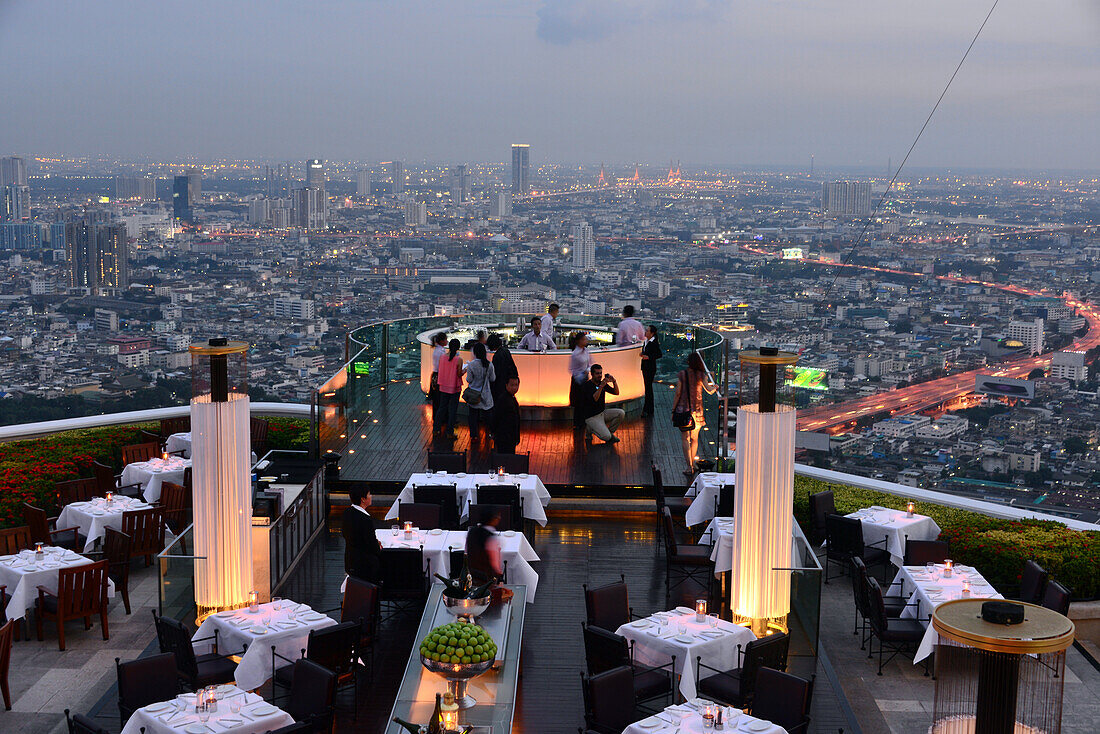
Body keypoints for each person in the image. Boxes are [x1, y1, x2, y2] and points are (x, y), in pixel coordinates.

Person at [673, 351, 719, 477]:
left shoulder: (682, 375)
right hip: (697, 411)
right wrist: (715, 386)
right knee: (694, 439)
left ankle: (688, 467)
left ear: (689, 361)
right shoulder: (701, 375)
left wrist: (673, 409)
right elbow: (709, 391)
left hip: (683, 410)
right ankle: (693, 463)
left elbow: (678, 393)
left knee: (685, 439)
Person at [342, 485, 382, 583]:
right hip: (365, 566)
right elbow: (373, 547)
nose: (371, 496)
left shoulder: (347, 513)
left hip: (350, 561)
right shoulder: (366, 520)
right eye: (369, 494)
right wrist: (378, 545)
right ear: (363, 499)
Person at [578, 363, 624, 443]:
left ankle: (609, 434)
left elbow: (616, 392)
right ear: (592, 374)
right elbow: (595, 398)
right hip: (591, 416)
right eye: (597, 373)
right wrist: (601, 387)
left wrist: (614, 381)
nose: (599, 375)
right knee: (606, 437)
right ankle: (592, 428)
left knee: (621, 413)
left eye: (600, 373)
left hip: (602, 413)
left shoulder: (601, 383)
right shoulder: (587, 386)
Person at [464, 341, 496, 440]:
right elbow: (493, 379)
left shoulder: (472, 365)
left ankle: (474, 436)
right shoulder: (489, 365)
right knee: (488, 415)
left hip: (474, 394)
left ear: (475, 353)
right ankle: (490, 433)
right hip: (486, 394)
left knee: (473, 416)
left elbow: (469, 380)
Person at [465, 508, 504, 585]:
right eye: (497, 517)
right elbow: (495, 563)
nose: (499, 518)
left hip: (471, 575)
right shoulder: (491, 537)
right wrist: (500, 579)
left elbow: (466, 552)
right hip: (487, 579)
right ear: (492, 519)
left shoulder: (471, 532)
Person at [436, 338, 464, 438]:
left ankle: (436, 429)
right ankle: (449, 432)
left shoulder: (443, 357)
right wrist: (466, 369)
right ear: (458, 348)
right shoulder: (459, 359)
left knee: (442, 408)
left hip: (443, 385)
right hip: (454, 387)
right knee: (452, 410)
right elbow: (459, 374)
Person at [492, 376, 522, 453]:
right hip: (504, 437)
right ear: (506, 385)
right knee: (505, 459)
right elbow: (496, 417)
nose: (514, 388)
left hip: (510, 437)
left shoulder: (511, 398)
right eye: (512, 385)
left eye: (516, 385)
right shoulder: (503, 400)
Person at [568, 331, 592, 427]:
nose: (585, 341)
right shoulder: (575, 354)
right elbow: (572, 369)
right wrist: (580, 376)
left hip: (585, 379)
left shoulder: (586, 351)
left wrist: (587, 371)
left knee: (585, 402)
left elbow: (590, 364)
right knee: (578, 403)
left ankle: (583, 422)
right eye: (583, 339)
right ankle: (578, 424)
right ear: (578, 341)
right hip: (577, 381)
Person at [487, 333, 518, 403]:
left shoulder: (496, 356)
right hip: (507, 384)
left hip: (499, 386)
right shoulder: (506, 351)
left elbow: (496, 373)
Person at [640, 324, 662, 416]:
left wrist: (648, 357)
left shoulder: (653, 343)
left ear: (652, 333)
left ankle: (648, 409)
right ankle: (648, 409)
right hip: (645, 367)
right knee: (647, 388)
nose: (646, 332)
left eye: (648, 331)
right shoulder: (646, 341)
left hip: (650, 368)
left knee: (648, 388)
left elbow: (659, 354)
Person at [429, 331, 448, 433]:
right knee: (440, 399)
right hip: (439, 376)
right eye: (445, 339)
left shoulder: (437, 350)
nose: (447, 341)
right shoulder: (441, 352)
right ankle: (440, 419)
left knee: (436, 399)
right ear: (441, 341)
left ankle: (437, 418)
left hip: (435, 376)